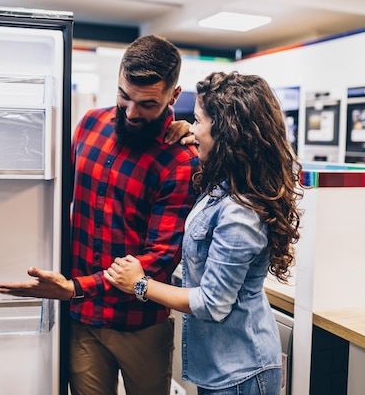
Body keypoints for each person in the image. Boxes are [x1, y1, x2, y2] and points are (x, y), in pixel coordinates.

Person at [0, 35, 199, 395]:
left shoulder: (180, 159)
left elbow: (161, 257)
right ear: (118, 79)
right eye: (124, 96)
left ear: (174, 95)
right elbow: (55, 199)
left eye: (148, 104)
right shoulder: (90, 125)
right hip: (84, 321)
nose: (133, 113)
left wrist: (75, 287)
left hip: (140, 326)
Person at [105, 71, 303, 395]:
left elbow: (212, 304)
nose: (192, 128)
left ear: (226, 131)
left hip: (240, 372)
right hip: (221, 366)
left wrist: (140, 284)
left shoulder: (240, 213)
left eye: (197, 120)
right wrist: (190, 133)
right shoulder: (225, 184)